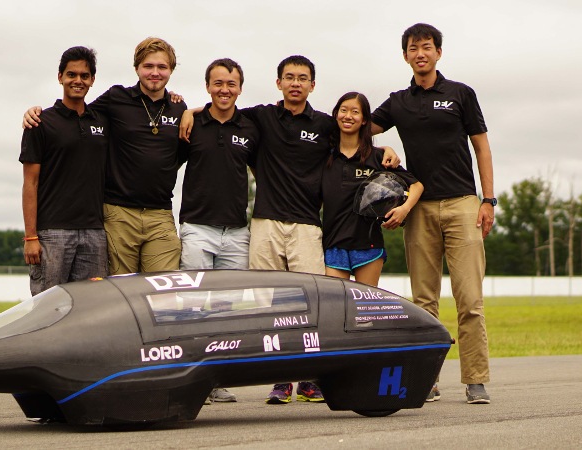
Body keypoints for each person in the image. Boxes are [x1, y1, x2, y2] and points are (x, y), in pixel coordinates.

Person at [181, 56, 399, 404]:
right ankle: (281, 380)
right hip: (265, 222)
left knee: (310, 305)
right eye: (289, 78)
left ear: (312, 85)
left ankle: (310, 379)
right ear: (278, 82)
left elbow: (356, 136)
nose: (295, 83)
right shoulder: (261, 117)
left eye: (303, 78)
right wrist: (190, 111)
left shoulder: (326, 124)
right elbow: (222, 108)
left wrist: (386, 149)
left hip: (308, 225)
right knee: (270, 306)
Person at [371, 23, 495, 404]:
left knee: (470, 300)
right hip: (418, 208)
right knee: (424, 302)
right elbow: (357, 129)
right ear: (405, 55)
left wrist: (488, 199)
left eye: (427, 47)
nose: (420, 53)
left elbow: (482, 148)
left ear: (438, 52)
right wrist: (382, 150)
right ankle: (428, 379)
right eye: (413, 48)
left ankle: (475, 380)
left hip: (462, 205)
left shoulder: (460, 94)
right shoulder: (398, 101)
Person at [23, 38, 188, 275]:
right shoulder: (116, 98)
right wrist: (35, 112)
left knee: (162, 290)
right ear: (136, 68)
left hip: (160, 214)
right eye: (148, 66)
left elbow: (180, 154)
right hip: (118, 213)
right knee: (120, 292)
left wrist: (193, 111)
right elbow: (77, 113)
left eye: (162, 67)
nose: (155, 72)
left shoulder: (179, 108)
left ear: (171, 70)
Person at [179, 58, 259, 403]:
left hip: (237, 232)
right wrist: (190, 111)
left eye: (231, 84)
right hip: (197, 227)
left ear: (240, 88)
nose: (224, 90)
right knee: (196, 307)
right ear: (208, 86)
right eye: (218, 83)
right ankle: (191, 379)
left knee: (225, 310)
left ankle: (215, 381)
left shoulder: (252, 126)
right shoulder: (191, 123)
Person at [19, 46, 109, 296]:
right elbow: (30, 183)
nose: (77, 80)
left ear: (92, 80)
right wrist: (30, 237)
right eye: (71, 74)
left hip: (95, 234)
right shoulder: (40, 122)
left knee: (92, 309)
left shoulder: (102, 122)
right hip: (52, 234)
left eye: (84, 75)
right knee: (47, 310)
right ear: (60, 77)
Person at [321, 92, 423, 287]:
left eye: (355, 112)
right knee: (336, 308)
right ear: (335, 115)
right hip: (333, 245)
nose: (348, 116)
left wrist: (404, 209)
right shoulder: (324, 157)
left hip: (368, 245)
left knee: (366, 310)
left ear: (365, 120)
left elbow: (416, 185)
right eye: (343, 110)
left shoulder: (377, 157)